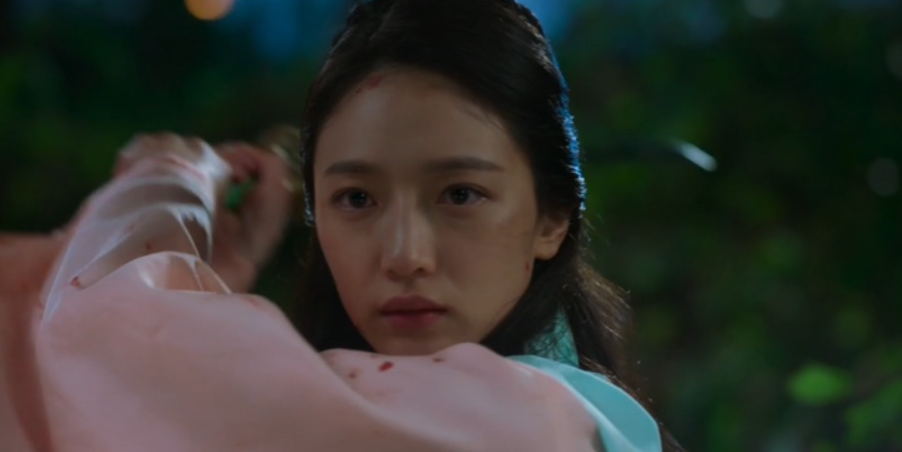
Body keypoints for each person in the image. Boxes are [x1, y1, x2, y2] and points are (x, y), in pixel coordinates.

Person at [0, 0, 679, 450]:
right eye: (356, 199)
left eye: (460, 195)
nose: (404, 255)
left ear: (552, 218)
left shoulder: (532, 422)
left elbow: (104, 338)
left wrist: (166, 188)